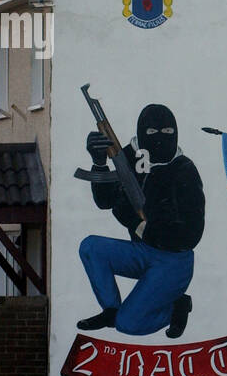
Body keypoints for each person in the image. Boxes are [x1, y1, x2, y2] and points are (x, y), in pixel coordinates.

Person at [77, 103, 205, 338]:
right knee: (91, 247)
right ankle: (111, 309)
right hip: (141, 252)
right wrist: (99, 162)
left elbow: (192, 234)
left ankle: (176, 306)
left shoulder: (184, 169)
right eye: (151, 133)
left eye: (166, 133)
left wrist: (141, 226)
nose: (158, 140)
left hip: (173, 262)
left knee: (129, 324)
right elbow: (105, 201)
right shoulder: (127, 157)